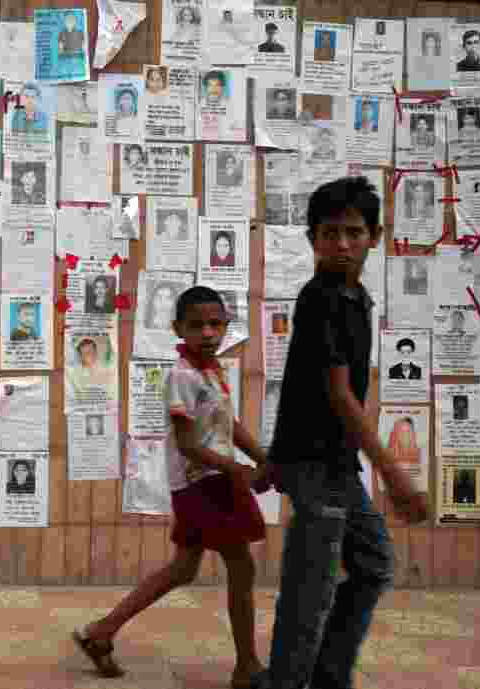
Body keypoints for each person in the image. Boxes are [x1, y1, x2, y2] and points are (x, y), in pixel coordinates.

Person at [253, 177, 427, 689]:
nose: (343, 244)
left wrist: (273, 458)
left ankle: (328, 674)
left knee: (371, 564)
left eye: (354, 232)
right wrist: (395, 475)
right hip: (316, 465)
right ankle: (286, 681)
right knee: (312, 585)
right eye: (330, 233)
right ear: (313, 239)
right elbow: (337, 395)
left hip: (333, 462)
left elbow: (306, 387)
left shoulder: (356, 299)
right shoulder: (322, 299)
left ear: (375, 235)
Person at [73, 286, 270, 688]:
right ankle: (247, 665)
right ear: (178, 328)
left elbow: (226, 425)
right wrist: (238, 470)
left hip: (211, 481)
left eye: (216, 324)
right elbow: (188, 445)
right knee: (241, 565)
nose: (208, 332)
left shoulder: (211, 373)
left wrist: (263, 458)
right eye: (197, 325)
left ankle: (101, 633)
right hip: (204, 484)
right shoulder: (182, 377)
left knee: (183, 568)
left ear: (226, 327)